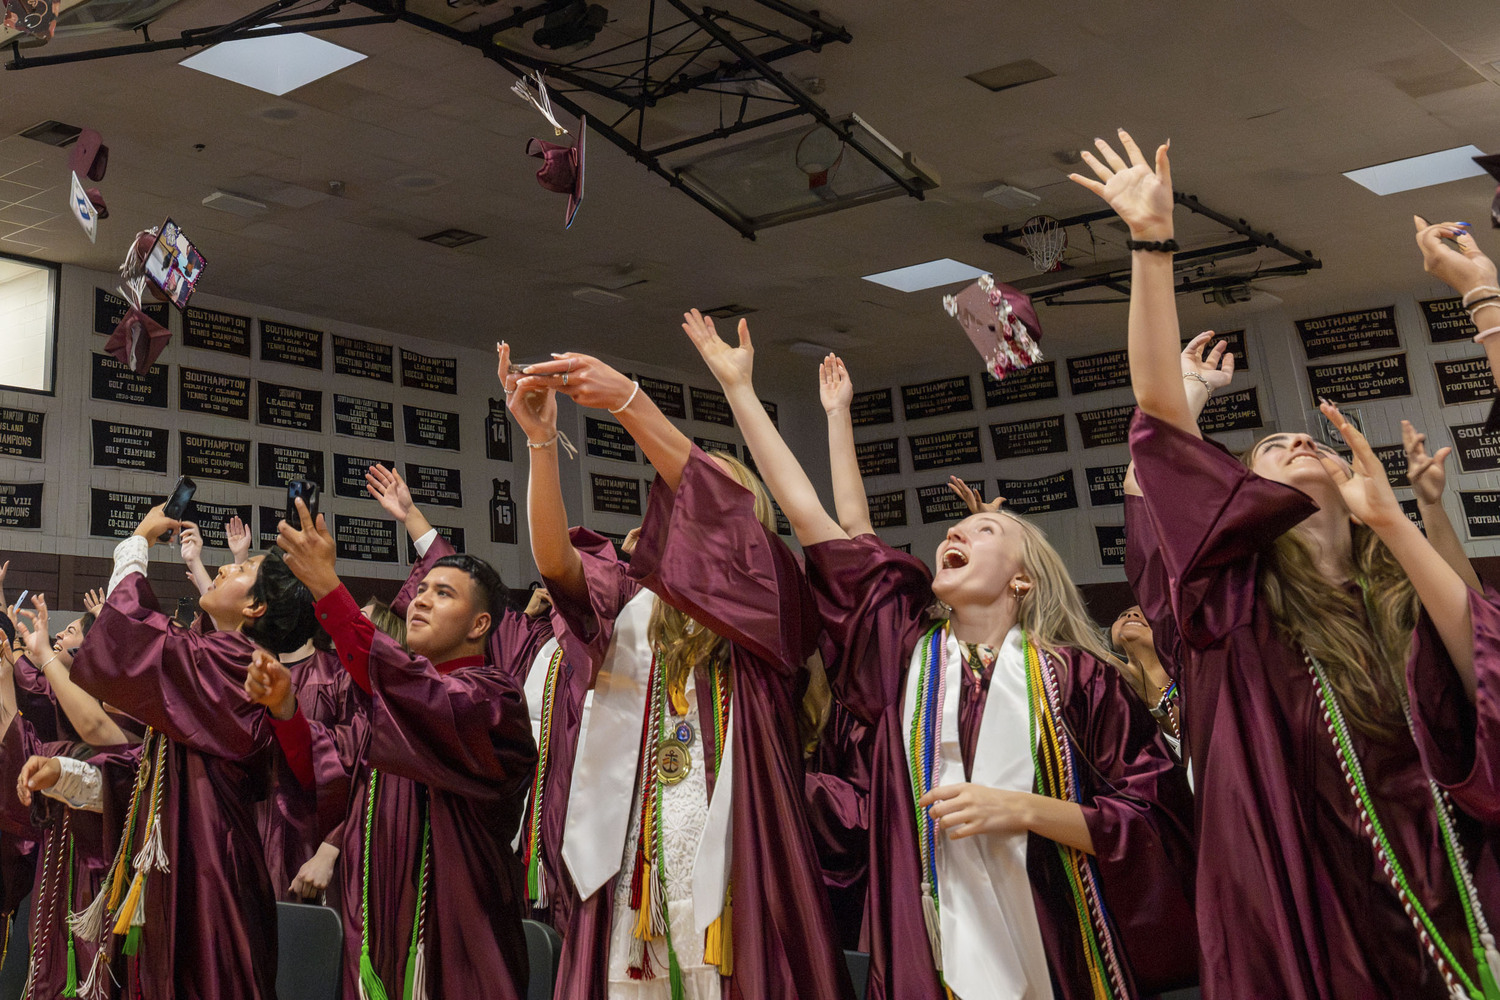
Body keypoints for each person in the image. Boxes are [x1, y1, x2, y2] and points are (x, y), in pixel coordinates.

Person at [1075, 129, 1500, 999]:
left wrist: (1408, 517)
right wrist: (1152, 246)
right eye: (1270, 445)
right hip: (1310, 911)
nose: (1298, 440)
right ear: (1240, 497)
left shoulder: (1398, 597)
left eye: (1309, 437)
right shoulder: (1231, 605)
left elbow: (1482, 661)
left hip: (1448, 900)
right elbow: (1157, 426)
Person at [508, 341, 855, 1000]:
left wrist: (629, 402)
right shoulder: (635, 612)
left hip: (735, 876)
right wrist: (543, 445)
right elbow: (557, 565)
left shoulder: (770, 608)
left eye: (694, 501)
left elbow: (730, 533)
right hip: (633, 878)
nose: (678, 517)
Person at [15, 501, 319, 1000]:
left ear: (255, 608)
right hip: (183, 869)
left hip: (211, 877)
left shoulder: (236, 667)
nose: (224, 566)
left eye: (241, 568)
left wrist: (137, 543)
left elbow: (132, 635)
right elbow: (152, 776)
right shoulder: (217, 662)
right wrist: (68, 775)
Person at [258, 492, 537, 1000]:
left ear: (480, 625)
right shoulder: (391, 708)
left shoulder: (494, 702)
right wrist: (285, 710)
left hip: (455, 939)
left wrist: (327, 586)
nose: (422, 600)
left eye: (444, 594)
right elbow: (327, 769)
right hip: (376, 929)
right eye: (423, 588)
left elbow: (425, 693)